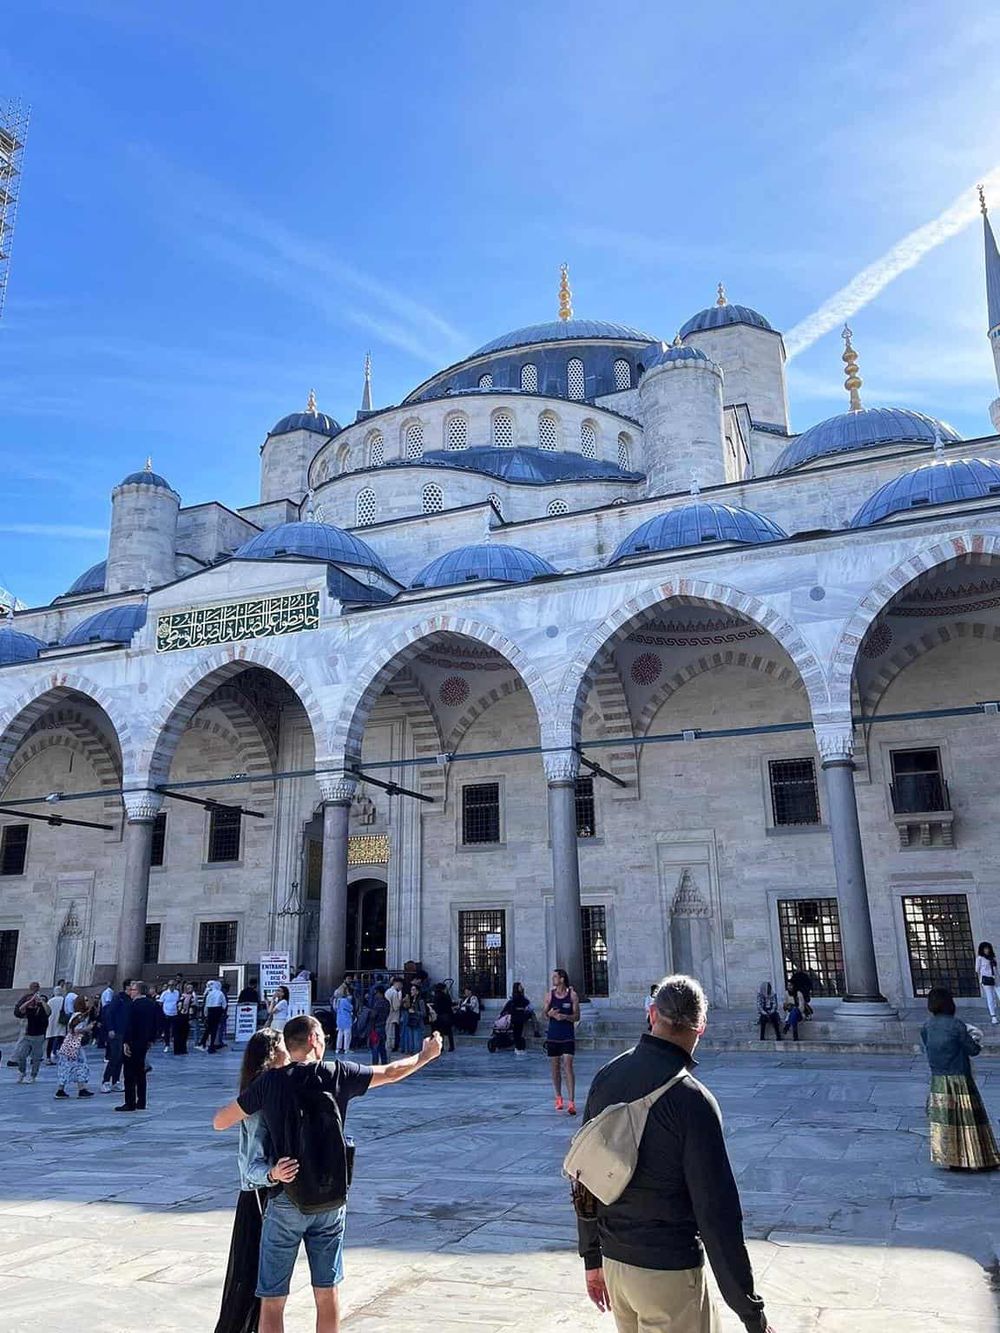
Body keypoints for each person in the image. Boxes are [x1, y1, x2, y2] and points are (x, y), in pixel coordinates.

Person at [212, 1014, 443, 1333]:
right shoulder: (339, 1072)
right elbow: (391, 1072)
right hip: (331, 1200)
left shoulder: (270, 1083)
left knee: (273, 1299)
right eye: (322, 1036)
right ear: (313, 1040)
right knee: (327, 1292)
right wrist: (426, 1055)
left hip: (286, 1198)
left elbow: (220, 1121)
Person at [578, 974, 773, 1333]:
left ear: (652, 1014)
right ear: (701, 1027)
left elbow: (584, 1176)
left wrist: (592, 1257)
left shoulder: (606, 1078)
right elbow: (716, 1214)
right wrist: (750, 1312)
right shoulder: (693, 1101)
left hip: (616, 1267)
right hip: (667, 1274)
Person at [213, 1028, 298, 1333]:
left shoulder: (276, 1087)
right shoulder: (259, 1097)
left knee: (265, 1283)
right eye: (284, 1046)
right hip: (260, 1199)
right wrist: (272, 1173)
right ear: (273, 1053)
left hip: (273, 1195)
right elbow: (249, 1165)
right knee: (256, 1282)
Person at [921, 986, 1000, 1171]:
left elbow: (928, 1047)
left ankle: (952, 1159)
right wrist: (976, 1039)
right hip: (959, 1078)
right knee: (969, 1119)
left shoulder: (927, 1026)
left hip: (938, 1080)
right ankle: (977, 1157)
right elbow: (973, 1050)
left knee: (947, 1121)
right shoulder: (956, 1025)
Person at [117, 981, 159, 1112]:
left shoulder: (133, 1005)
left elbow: (129, 1025)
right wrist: (151, 1039)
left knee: (129, 1073)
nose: (131, 992)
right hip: (144, 1042)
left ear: (139, 991)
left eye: (133, 990)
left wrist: (126, 1042)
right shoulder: (152, 1004)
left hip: (133, 1041)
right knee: (141, 1072)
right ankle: (141, 1101)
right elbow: (156, 1023)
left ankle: (130, 1102)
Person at [545, 968, 580, 1113]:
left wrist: (565, 1017)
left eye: (555, 977)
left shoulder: (572, 995)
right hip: (553, 1035)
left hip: (567, 1035)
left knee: (568, 1066)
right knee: (555, 1067)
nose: (553, 979)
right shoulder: (549, 995)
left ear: (562, 979)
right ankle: (558, 1096)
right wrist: (550, 1014)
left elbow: (577, 1016)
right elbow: (544, 1014)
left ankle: (571, 1101)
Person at [55, 994, 95, 1099]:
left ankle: (64, 1089)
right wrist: (87, 1028)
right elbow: (75, 1030)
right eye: (85, 1000)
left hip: (70, 1044)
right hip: (74, 1044)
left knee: (69, 1066)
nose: (87, 1002)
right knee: (79, 1065)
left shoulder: (77, 1015)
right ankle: (80, 1089)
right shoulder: (79, 1016)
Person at [13, 983, 51, 1083]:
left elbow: (48, 1011)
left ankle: (33, 1075)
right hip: (27, 1035)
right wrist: (30, 1000)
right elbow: (20, 1009)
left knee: (36, 1058)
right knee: (21, 1055)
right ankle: (22, 1072)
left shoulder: (42, 1008)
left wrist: (41, 1001)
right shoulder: (28, 1009)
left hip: (39, 1036)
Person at [101, 979, 132, 1092]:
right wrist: (110, 1028)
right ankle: (105, 1081)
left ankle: (116, 1081)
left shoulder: (131, 999)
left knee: (121, 1057)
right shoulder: (118, 998)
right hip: (116, 1032)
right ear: (127, 987)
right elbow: (109, 1013)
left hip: (125, 1033)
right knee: (114, 1056)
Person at [501, 982, 533, 1057]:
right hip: (516, 1017)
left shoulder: (520, 996)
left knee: (518, 1032)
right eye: (520, 986)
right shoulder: (516, 997)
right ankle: (517, 1048)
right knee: (517, 1033)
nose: (521, 987)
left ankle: (519, 1048)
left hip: (519, 1017)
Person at [201, 979, 229, 1053]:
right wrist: (222, 1010)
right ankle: (211, 1045)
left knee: (209, 1028)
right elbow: (224, 1004)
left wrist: (205, 1014)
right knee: (214, 1028)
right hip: (217, 1010)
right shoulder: (220, 993)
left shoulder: (209, 993)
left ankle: (203, 1042)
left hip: (210, 1011)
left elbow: (206, 1005)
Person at [400, 982, 427, 1055]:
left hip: (418, 1023)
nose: (411, 991)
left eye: (413, 990)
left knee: (417, 1041)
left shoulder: (420, 1001)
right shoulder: (412, 1000)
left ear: (417, 991)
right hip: (412, 1022)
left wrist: (415, 1012)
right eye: (411, 990)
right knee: (412, 1040)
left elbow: (424, 1013)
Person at [975, 941, 998, 1026]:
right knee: (990, 997)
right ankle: (993, 1016)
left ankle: (994, 1011)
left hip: (995, 979)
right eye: (985, 948)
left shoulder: (992, 957)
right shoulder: (980, 958)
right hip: (986, 979)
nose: (987, 950)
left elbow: (996, 969)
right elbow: (977, 969)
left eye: (988, 948)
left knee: (997, 995)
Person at [45, 980, 66, 1064]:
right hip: (60, 1021)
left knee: (51, 1038)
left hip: (51, 1021)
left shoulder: (50, 1001)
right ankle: (58, 1054)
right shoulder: (63, 1000)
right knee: (60, 1036)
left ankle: (48, 1057)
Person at [430, 983, 455, 1053]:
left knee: (441, 1032)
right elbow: (450, 1004)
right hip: (447, 1015)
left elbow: (435, 1006)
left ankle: (441, 1047)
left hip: (440, 1016)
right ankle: (451, 1046)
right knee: (449, 1032)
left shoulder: (436, 996)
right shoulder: (446, 996)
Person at [369, 985, 390, 1064]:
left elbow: (373, 1016)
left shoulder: (377, 1003)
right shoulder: (387, 1002)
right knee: (382, 1048)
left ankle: (375, 1064)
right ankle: (384, 1063)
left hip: (376, 1027)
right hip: (383, 1026)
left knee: (375, 1047)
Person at [174, 981, 196, 1055]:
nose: (190, 989)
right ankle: (178, 1049)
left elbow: (192, 1007)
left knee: (184, 1034)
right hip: (181, 1016)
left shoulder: (189, 996)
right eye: (188, 987)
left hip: (184, 1016)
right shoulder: (182, 996)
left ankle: (182, 1049)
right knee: (179, 1034)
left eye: (191, 988)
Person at [159, 977, 180, 1052]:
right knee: (166, 1030)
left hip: (175, 1013)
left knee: (175, 1030)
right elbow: (161, 1003)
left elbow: (178, 1002)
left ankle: (175, 1045)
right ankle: (167, 1045)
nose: (171, 986)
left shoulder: (177, 992)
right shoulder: (164, 993)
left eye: (173, 985)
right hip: (166, 1014)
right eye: (170, 985)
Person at [385, 976, 403, 1052]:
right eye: (401, 984)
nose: (401, 986)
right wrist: (401, 1001)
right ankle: (390, 1046)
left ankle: (387, 1046)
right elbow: (396, 1006)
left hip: (387, 1014)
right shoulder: (395, 992)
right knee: (391, 1032)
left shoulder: (388, 991)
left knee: (387, 1031)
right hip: (393, 1015)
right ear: (397, 983)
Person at [334, 990, 354, 1055]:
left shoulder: (336, 1001)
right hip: (346, 1019)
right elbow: (350, 1008)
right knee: (347, 1035)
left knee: (340, 1034)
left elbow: (335, 1009)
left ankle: (338, 1049)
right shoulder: (344, 1001)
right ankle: (346, 1049)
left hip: (339, 1019)